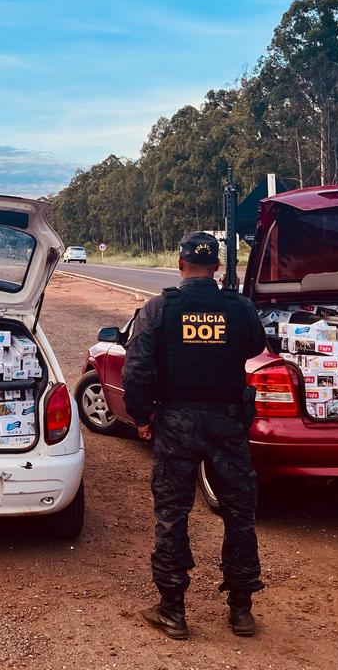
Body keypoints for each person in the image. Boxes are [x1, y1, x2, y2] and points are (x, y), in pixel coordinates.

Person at [122, 231, 269, 639]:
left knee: (172, 513)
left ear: (180, 263)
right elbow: (256, 346)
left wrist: (142, 416)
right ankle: (241, 611)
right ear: (218, 267)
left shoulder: (160, 309)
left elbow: (136, 369)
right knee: (239, 514)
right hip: (227, 423)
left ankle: (173, 611)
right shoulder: (238, 307)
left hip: (176, 422)